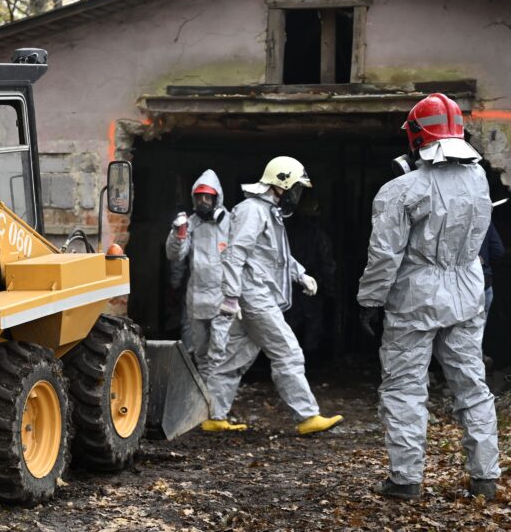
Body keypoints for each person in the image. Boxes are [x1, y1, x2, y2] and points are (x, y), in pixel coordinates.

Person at [358, 93, 499, 501]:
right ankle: (485, 478)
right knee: (472, 386)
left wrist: (370, 300)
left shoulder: (400, 189)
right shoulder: (478, 180)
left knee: (404, 388)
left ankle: (405, 480)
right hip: (466, 292)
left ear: (417, 135)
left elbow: (385, 254)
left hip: (415, 298)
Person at [203, 156, 343, 435]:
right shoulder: (252, 211)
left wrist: (300, 274)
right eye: (297, 188)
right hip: (256, 297)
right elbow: (235, 254)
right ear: (283, 184)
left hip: (258, 295)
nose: (298, 195)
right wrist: (231, 295)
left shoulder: (269, 212)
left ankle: (214, 417)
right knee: (288, 353)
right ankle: (307, 416)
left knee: (232, 360)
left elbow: (276, 256)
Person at [165, 170, 230, 383]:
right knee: (200, 353)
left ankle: (218, 403)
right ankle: (206, 400)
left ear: (216, 198)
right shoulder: (189, 223)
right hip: (197, 299)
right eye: (199, 197)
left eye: (207, 197)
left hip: (223, 299)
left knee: (220, 353)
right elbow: (175, 255)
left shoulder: (230, 222)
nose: (203, 201)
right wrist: (178, 234)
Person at [285, 195, 336, 355]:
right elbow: (327, 263)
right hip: (311, 284)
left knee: (289, 326)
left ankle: (291, 360)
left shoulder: (287, 232)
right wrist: (329, 289)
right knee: (312, 326)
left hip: (290, 285)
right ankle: (308, 363)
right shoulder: (318, 235)